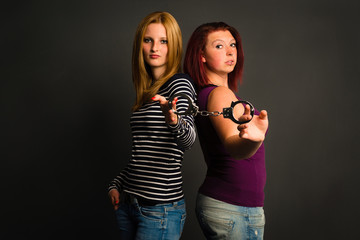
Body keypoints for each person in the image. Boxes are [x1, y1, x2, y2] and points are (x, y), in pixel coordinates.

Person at [108, 12, 196, 240]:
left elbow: (189, 140)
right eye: (148, 40)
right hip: (129, 205)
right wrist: (117, 184)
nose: (154, 47)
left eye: (163, 41)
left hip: (160, 211)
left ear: (173, 45)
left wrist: (173, 120)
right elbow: (143, 152)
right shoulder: (148, 92)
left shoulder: (180, 83)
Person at [184, 22, 269, 239]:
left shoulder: (212, 93)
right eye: (219, 46)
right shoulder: (220, 94)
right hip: (233, 207)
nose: (231, 51)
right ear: (201, 55)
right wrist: (253, 140)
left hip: (233, 207)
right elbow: (234, 146)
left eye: (233, 45)